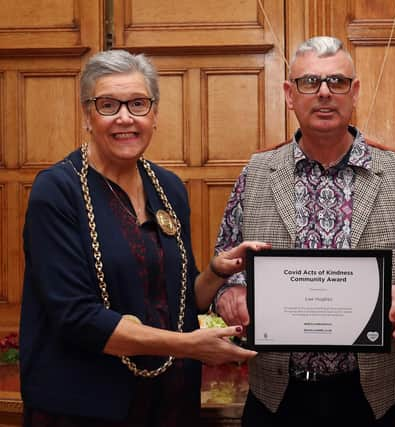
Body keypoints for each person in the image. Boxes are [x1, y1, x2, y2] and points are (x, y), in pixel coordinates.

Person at [19, 49, 269, 426]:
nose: (125, 117)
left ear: (154, 114)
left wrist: (217, 272)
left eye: (138, 103)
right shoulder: (56, 191)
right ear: (87, 115)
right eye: (108, 105)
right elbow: (75, 317)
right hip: (83, 405)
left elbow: (183, 302)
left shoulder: (168, 187)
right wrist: (189, 346)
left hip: (168, 401)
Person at [213, 36, 395, 427]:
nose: (323, 93)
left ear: (354, 93)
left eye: (337, 82)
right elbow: (225, 267)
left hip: (372, 396)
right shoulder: (255, 174)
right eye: (309, 82)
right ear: (289, 94)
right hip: (275, 396)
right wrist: (230, 294)